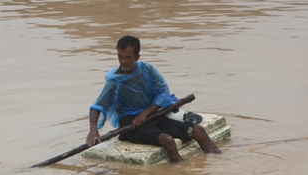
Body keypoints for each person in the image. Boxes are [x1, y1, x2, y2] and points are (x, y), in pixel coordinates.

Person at [87, 35, 221, 163]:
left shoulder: (148, 70)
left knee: (197, 130)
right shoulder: (114, 80)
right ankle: (180, 172)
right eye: (120, 57)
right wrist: (93, 128)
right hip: (131, 125)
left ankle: (219, 161)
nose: (123, 62)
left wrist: (145, 114)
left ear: (137, 57)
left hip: (153, 117)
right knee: (167, 140)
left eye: (128, 58)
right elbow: (99, 106)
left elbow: (163, 93)